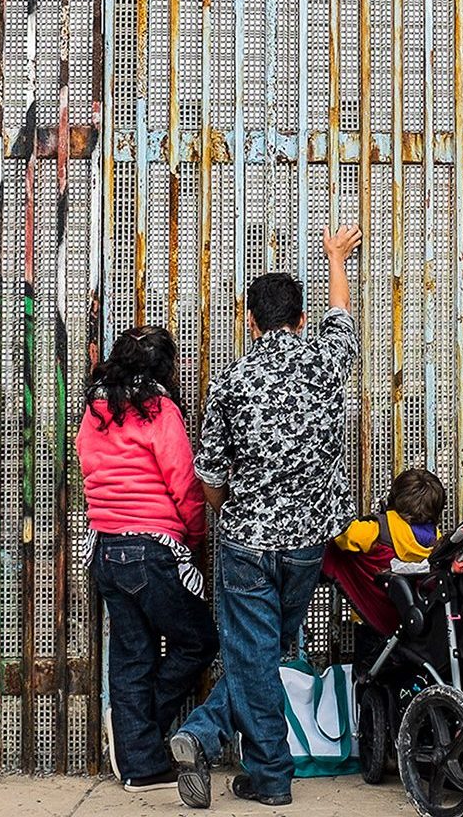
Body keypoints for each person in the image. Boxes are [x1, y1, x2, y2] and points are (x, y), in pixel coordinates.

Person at [171, 225, 364, 809]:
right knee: (266, 651)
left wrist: (232, 517)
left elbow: (209, 478)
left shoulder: (231, 380)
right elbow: (343, 315)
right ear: (302, 321)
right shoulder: (329, 361)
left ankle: (255, 766)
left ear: (249, 322)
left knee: (253, 652)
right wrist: (336, 258)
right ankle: (226, 751)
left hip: (248, 541)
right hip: (307, 544)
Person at [78, 325, 215, 793]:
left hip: (106, 549)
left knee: (132, 655)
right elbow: (185, 486)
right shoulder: (160, 409)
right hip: (154, 548)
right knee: (197, 641)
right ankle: (139, 733)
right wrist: (194, 542)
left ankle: (140, 760)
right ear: (163, 368)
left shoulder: (94, 410)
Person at [323, 466, 447, 638]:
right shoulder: (436, 540)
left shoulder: (378, 530)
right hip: (412, 622)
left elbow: (343, 537)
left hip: (371, 616)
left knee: (368, 663)